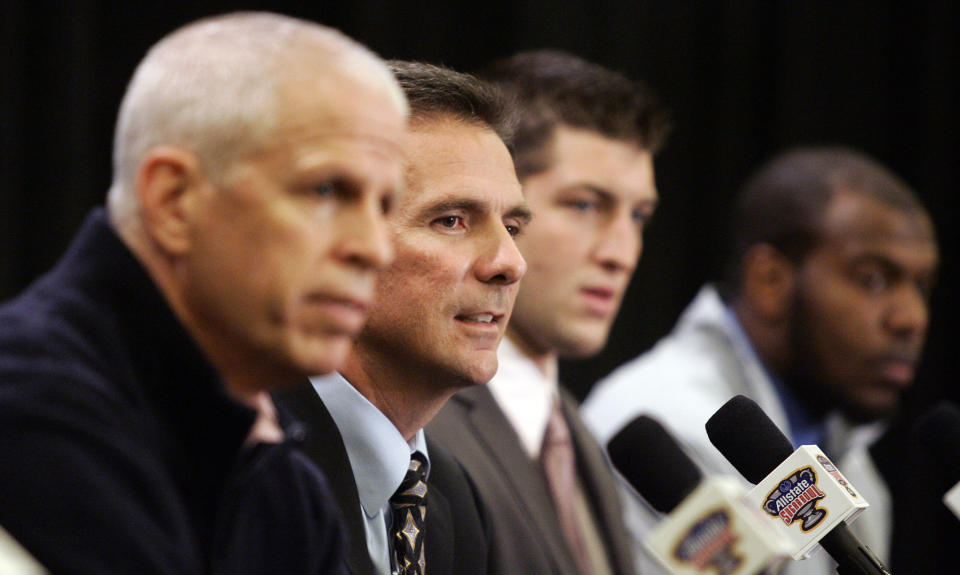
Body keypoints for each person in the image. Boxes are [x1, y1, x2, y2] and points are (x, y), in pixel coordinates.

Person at [0, 12, 408, 574]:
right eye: (326, 190)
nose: (374, 249)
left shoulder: (285, 484)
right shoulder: (31, 414)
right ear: (173, 201)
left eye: (384, 205)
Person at [583, 146, 939, 572]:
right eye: (874, 280)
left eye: (922, 286)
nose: (911, 318)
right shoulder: (662, 424)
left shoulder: (849, 454)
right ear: (770, 281)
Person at [274, 61, 530, 575]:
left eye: (513, 226)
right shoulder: (245, 463)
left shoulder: (451, 498)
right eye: (452, 220)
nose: (509, 263)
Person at [427, 50, 670, 575]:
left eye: (639, 216)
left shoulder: (574, 429)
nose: (621, 253)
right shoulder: (419, 420)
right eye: (585, 205)